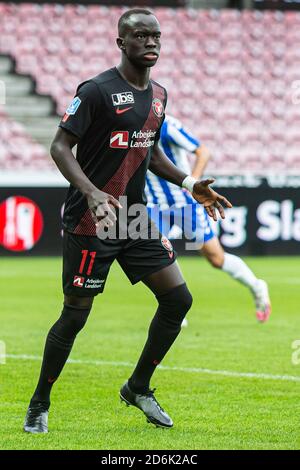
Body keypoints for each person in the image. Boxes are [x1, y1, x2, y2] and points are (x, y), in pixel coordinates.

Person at [23, 9, 231, 434]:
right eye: (140, 35)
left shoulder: (158, 95)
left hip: (133, 219)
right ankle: (38, 404)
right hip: (91, 220)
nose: (151, 42)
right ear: (122, 43)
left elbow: (151, 154)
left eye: (156, 35)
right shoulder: (97, 90)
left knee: (178, 300)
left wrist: (191, 183)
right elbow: (61, 146)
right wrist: (92, 192)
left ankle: (138, 386)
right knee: (75, 316)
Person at [146, 115, 271, 326]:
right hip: (153, 205)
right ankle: (175, 308)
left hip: (185, 203)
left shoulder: (167, 125)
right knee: (157, 256)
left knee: (216, 258)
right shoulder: (129, 124)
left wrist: (192, 184)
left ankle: (257, 286)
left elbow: (202, 151)